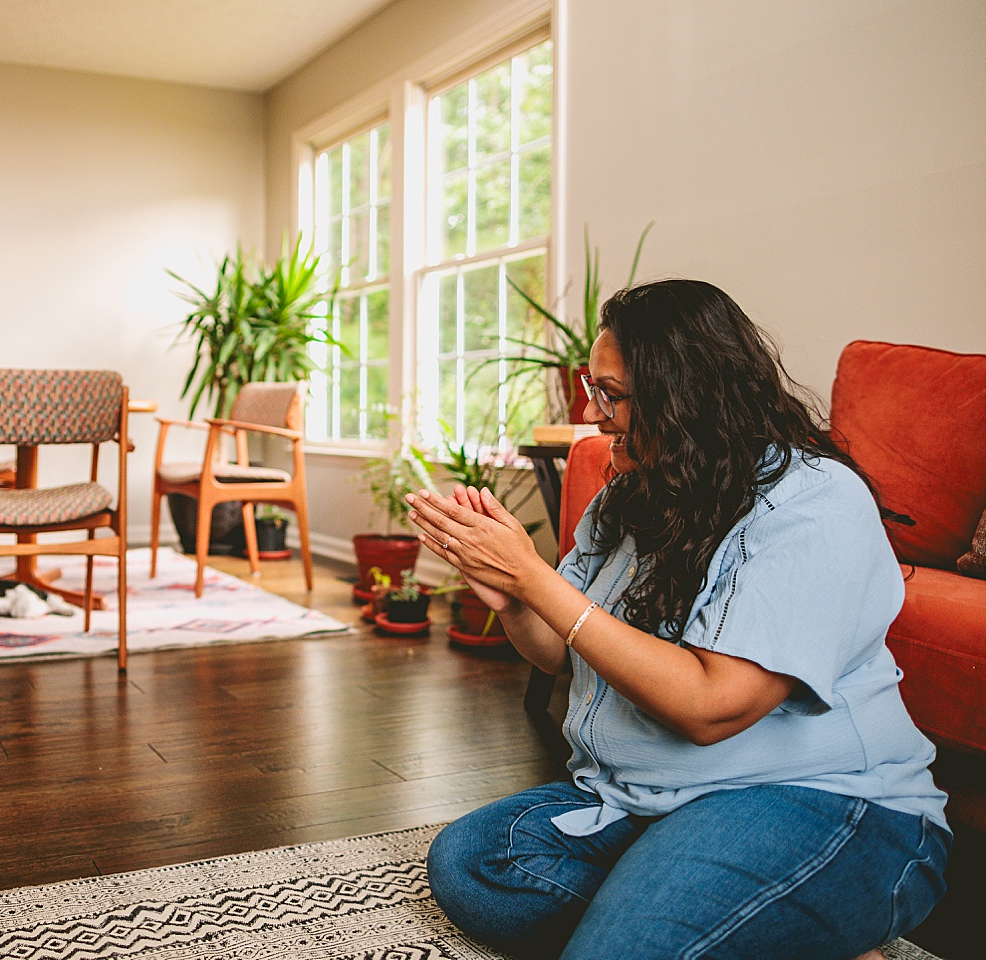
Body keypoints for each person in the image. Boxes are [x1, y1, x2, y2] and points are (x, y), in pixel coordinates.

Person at [406, 279, 949, 960]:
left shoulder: (813, 504)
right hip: (654, 801)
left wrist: (535, 577)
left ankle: (757, 906)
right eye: (593, 389)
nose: (596, 413)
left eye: (613, 394)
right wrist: (513, 595)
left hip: (822, 803)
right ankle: (763, 923)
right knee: (474, 864)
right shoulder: (634, 491)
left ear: (685, 395)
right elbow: (558, 652)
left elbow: (712, 706)